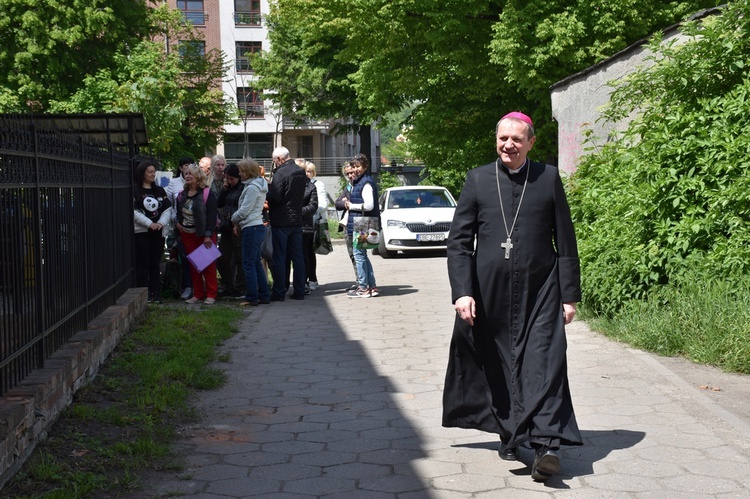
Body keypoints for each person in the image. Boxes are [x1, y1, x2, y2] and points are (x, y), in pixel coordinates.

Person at [442, 111, 582, 482]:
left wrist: (570, 295)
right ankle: (512, 432)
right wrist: (462, 292)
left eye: (517, 139)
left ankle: (548, 445)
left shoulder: (548, 178)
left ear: (531, 142)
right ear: (496, 139)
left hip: (542, 290)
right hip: (489, 295)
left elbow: (565, 241)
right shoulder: (477, 179)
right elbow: (458, 244)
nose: (509, 145)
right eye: (503, 138)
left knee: (546, 363)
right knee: (499, 366)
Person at [175, 163, 219, 305]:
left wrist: (207, 235)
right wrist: (178, 224)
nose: (187, 176)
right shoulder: (182, 195)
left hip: (204, 235)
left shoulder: (207, 193)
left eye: (190, 174)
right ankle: (198, 294)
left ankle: (211, 294)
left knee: (208, 265)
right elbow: (178, 213)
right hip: (187, 234)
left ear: (198, 176)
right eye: (186, 173)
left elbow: (212, 216)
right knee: (194, 266)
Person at [267, 146, 307, 301]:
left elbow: (276, 196)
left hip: (281, 220)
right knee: (298, 257)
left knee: (280, 257)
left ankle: (279, 291)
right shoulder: (300, 171)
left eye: (274, 161)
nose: (274, 164)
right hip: (296, 220)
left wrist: (268, 192)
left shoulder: (280, 173)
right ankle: (299, 291)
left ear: (279, 159)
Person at [231, 159, 271, 306]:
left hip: (251, 227)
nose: (240, 174)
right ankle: (264, 295)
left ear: (248, 172)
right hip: (256, 226)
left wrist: (233, 219)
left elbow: (245, 210)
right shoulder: (257, 185)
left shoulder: (252, 188)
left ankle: (252, 297)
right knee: (255, 263)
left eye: (242, 171)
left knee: (248, 263)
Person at [133, 160, 172, 303]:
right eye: (149, 171)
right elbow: (134, 212)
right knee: (144, 263)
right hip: (142, 232)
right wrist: (149, 223)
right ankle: (143, 293)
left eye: (153, 171)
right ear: (142, 173)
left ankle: (155, 292)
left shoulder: (159, 190)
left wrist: (160, 223)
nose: (152, 174)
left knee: (155, 263)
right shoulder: (135, 191)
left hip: (158, 232)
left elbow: (167, 209)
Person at [344, 154, 379, 298]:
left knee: (359, 256)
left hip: (364, 223)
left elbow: (369, 205)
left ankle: (363, 288)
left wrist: (352, 205)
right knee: (362, 255)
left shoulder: (366, 182)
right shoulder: (360, 181)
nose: (356, 169)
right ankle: (372, 287)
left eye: (358, 166)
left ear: (365, 167)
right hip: (363, 222)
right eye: (354, 166)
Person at [165, 157, 195, 300]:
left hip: (196, 226)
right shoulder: (174, 184)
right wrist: (175, 221)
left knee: (199, 257)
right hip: (180, 226)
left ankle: (199, 285)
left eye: (191, 166)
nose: (188, 169)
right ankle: (187, 286)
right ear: (180, 168)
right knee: (185, 256)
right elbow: (168, 205)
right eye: (185, 166)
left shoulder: (199, 183)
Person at [286, 161, 317, 294]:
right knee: (287, 257)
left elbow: (313, 206)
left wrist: (296, 212)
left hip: (305, 227)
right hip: (287, 225)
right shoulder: (288, 183)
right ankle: (285, 284)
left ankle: (303, 283)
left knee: (303, 256)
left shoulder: (310, 187)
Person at [216, 163, 245, 298]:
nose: (228, 181)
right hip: (227, 226)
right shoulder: (228, 188)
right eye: (226, 178)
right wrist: (224, 189)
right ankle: (228, 285)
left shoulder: (243, 188)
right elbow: (219, 203)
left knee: (240, 258)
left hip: (238, 226)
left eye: (231, 178)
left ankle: (240, 287)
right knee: (222, 257)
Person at [335, 161, 358, 289]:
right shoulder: (348, 187)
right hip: (347, 224)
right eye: (347, 173)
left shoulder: (361, 185)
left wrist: (348, 202)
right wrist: (344, 203)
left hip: (359, 223)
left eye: (351, 172)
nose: (350, 175)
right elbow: (337, 204)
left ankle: (363, 282)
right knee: (352, 255)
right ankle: (359, 280)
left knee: (359, 255)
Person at [305, 161, 327, 290]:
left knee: (310, 252)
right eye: (305, 171)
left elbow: (323, 205)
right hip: (303, 222)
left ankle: (312, 278)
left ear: (313, 173)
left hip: (313, 222)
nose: (307, 174)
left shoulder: (318, 185)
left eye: (309, 171)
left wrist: (311, 209)